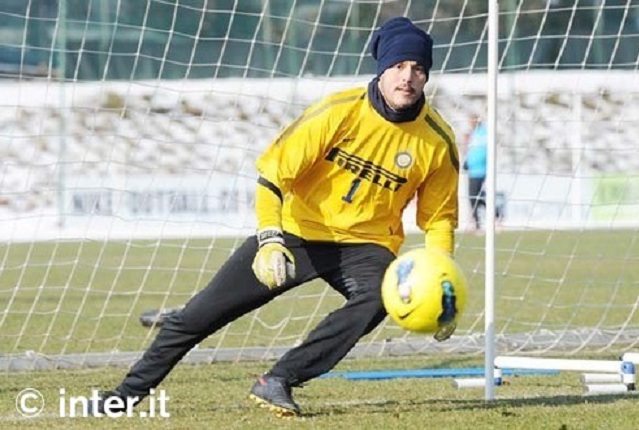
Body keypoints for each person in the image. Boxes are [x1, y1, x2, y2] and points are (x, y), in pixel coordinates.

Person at [89, 16, 460, 419]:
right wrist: (270, 239)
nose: (407, 77)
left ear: (427, 76)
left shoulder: (437, 141)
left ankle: (279, 379)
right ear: (382, 69)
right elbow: (272, 177)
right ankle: (124, 395)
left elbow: (439, 219)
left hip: (366, 246)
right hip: (296, 232)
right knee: (197, 319)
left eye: (418, 68)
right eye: (399, 66)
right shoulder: (336, 113)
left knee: (378, 298)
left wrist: (439, 281)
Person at [463, 114, 487, 232]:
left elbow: (484, 150)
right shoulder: (472, 134)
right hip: (472, 170)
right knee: (475, 197)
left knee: (475, 196)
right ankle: (479, 223)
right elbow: (470, 150)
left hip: (482, 170)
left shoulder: (485, 133)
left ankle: (493, 215)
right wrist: (466, 162)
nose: (471, 123)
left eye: (473, 120)